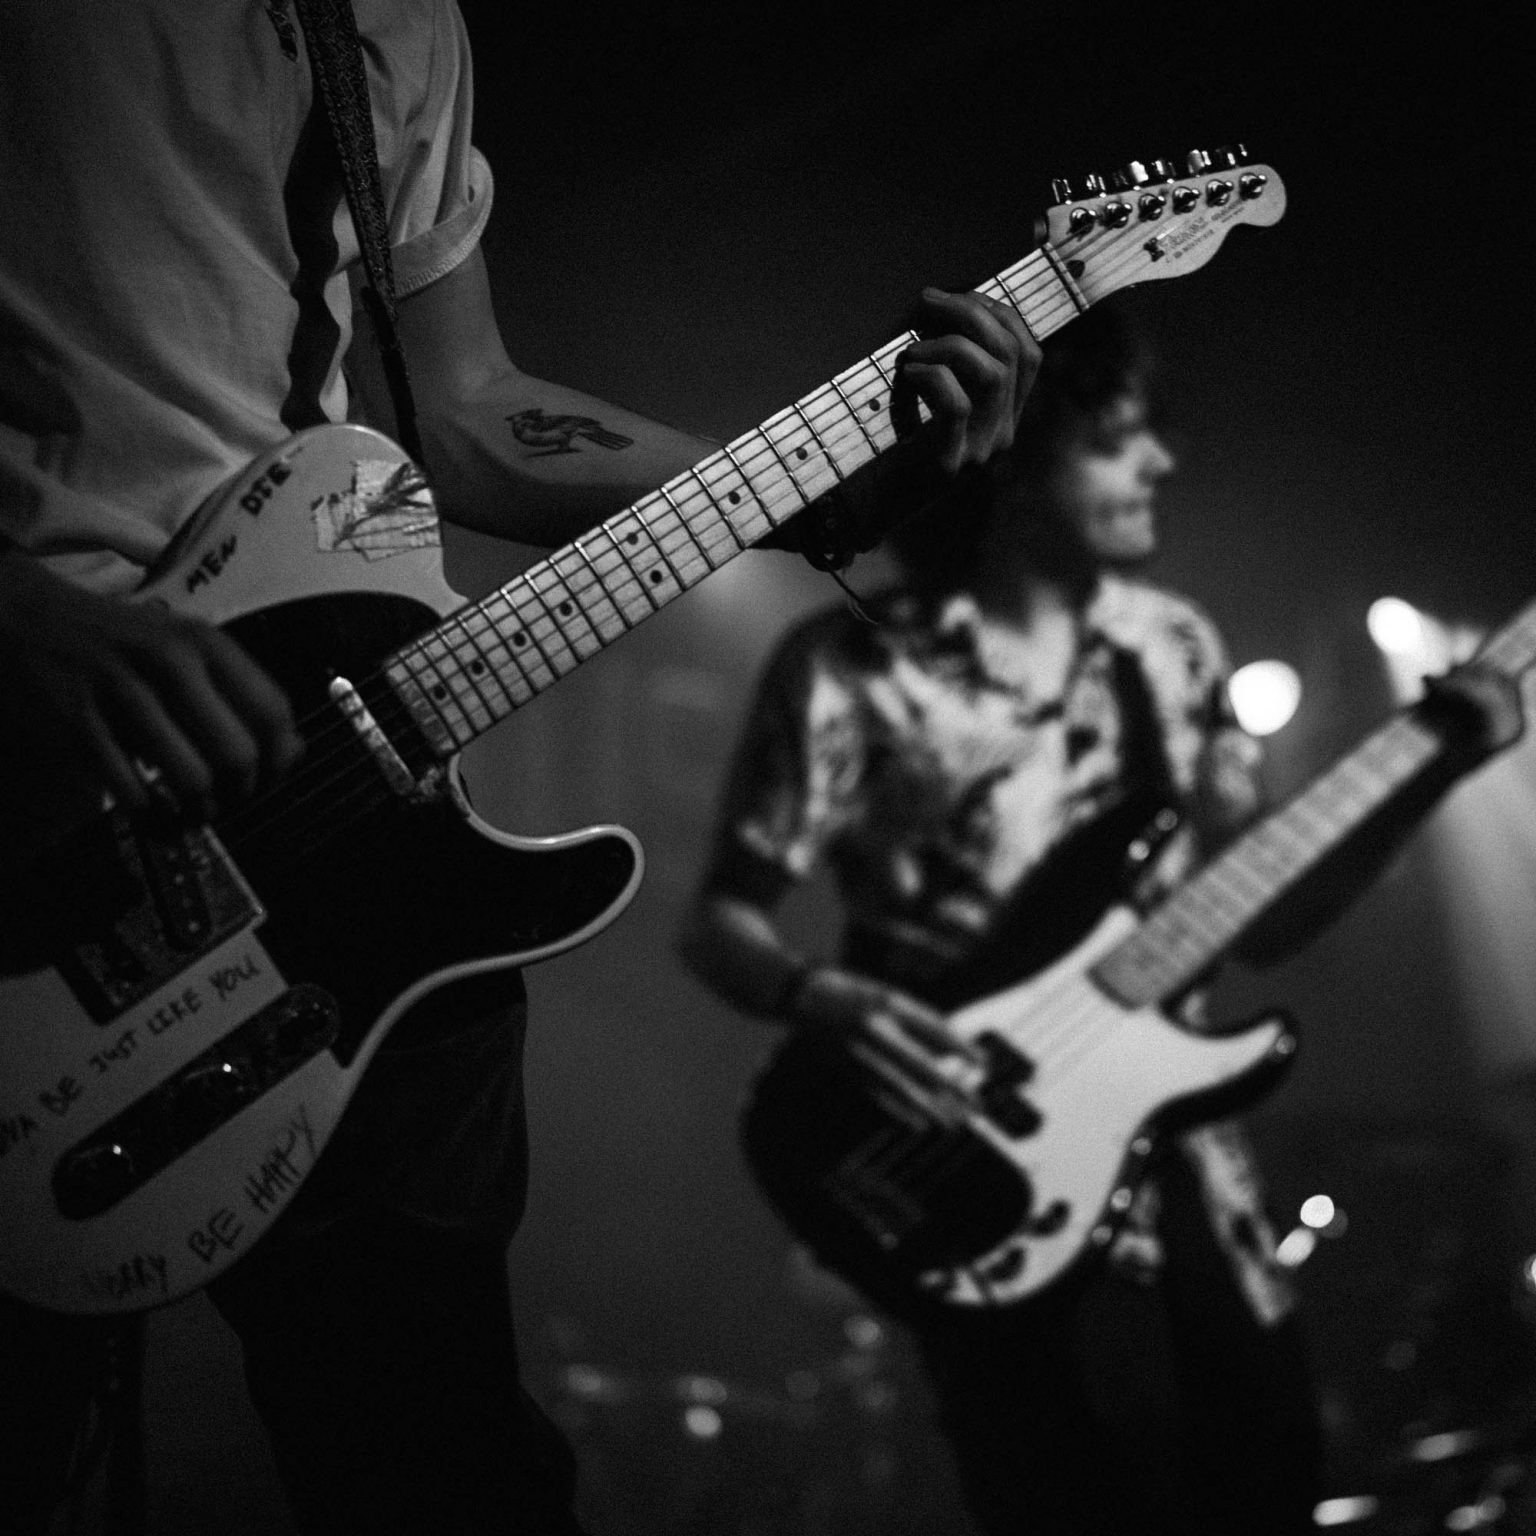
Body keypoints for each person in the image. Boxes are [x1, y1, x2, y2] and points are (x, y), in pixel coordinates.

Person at [0, 4, 1039, 1533]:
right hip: (36, 749)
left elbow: (470, 411)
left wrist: (826, 476)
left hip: (326, 791)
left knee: (442, 1461)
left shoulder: (397, 17)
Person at [676, 300, 1525, 1535]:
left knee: (1268, 1484)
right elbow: (718, 925)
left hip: (1194, 1192)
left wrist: (1434, 770)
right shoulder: (852, 665)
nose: (1159, 464)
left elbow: (1261, 922)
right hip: (978, 1181)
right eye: (1120, 439)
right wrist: (822, 999)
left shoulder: (1172, 649)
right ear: (1021, 463)